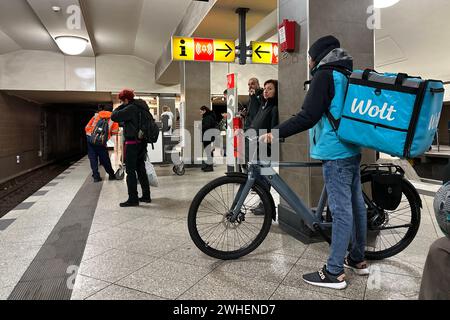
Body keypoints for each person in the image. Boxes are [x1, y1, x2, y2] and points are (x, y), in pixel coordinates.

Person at [262, 35, 368, 290]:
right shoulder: (346, 74)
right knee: (356, 206)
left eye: (310, 57)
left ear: (317, 56)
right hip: (351, 149)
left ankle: (333, 273)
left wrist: (276, 133)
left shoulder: (324, 75)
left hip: (335, 152)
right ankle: (357, 258)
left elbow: (308, 116)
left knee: (342, 211)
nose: (308, 62)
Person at [111, 89, 151, 207]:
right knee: (141, 169)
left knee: (130, 171)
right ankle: (146, 196)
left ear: (126, 99)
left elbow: (114, 116)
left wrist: (120, 106)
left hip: (132, 143)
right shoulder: (141, 106)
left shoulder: (131, 108)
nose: (121, 102)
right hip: (141, 143)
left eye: (122, 100)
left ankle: (133, 198)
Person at [249, 79, 279, 215]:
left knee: (265, 179)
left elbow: (274, 131)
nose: (266, 91)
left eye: (270, 89)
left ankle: (265, 205)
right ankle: (263, 203)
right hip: (257, 146)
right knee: (258, 178)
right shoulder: (263, 105)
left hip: (266, 149)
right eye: (265, 88)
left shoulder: (274, 108)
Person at [85, 104, 119, 183]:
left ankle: (96, 177)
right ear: (111, 110)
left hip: (90, 140)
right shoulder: (113, 119)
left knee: (93, 158)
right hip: (101, 142)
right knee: (105, 159)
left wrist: (91, 135)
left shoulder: (96, 116)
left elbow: (86, 127)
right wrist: (105, 136)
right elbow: (115, 132)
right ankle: (111, 175)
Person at [200, 106, 217, 172]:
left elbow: (207, 126)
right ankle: (208, 165)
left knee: (208, 152)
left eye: (201, 111)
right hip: (209, 136)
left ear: (204, 111)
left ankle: (209, 167)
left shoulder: (207, 117)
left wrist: (200, 126)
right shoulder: (209, 116)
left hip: (207, 137)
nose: (200, 113)